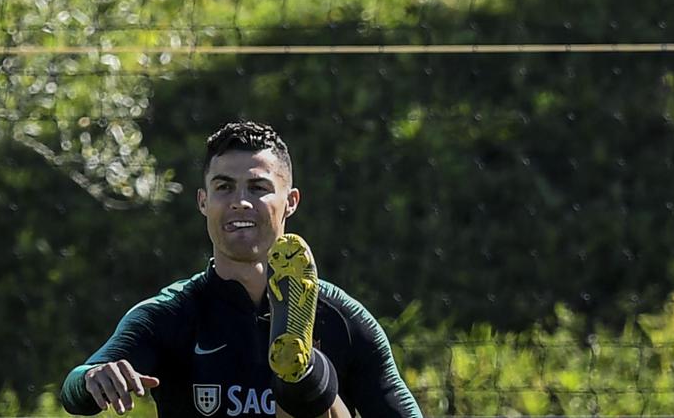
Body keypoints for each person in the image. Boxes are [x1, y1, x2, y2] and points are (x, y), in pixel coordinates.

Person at [60, 121, 423, 418]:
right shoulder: (170, 315)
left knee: (307, 391)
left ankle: (303, 373)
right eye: (224, 188)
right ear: (203, 202)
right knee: (305, 385)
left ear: (290, 202)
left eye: (258, 187)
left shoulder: (341, 318)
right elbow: (74, 392)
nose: (240, 202)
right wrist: (94, 377)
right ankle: (302, 375)